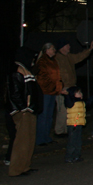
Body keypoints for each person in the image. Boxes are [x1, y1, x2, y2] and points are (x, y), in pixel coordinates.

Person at [7, 47, 41, 176]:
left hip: (29, 110)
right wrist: (23, 109)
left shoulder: (26, 70)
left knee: (29, 140)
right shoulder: (17, 71)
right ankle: (16, 169)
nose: (33, 61)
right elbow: (15, 94)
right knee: (22, 141)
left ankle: (25, 166)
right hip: (23, 112)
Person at [54, 38, 93, 137]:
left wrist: (89, 50)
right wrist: (60, 87)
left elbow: (79, 57)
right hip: (63, 88)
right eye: (67, 45)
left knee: (70, 109)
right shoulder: (57, 59)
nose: (69, 47)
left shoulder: (68, 57)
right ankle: (59, 131)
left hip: (71, 87)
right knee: (62, 110)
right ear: (62, 47)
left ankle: (67, 129)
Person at [34, 42, 61, 146]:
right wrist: (53, 86)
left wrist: (58, 87)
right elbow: (43, 77)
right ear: (47, 50)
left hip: (52, 92)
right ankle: (40, 138)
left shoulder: (53, 61)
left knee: (49, 116)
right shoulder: (42, 61)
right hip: (45, 92)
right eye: (53, 49)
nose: (54, 50)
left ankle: (46, 137)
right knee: (43, 115)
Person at [63, 86, 89, 163]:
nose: (81, 94)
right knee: (72, 141)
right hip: (73, 125)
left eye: (80, 92)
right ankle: (69, 156)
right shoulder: (71, 102)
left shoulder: (81, 102)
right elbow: (68, 102)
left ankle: (76, 156)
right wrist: (67, 95)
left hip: (79, 124)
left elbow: (89, 102)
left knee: (78, 141)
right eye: (78, 93)